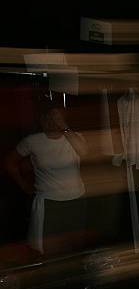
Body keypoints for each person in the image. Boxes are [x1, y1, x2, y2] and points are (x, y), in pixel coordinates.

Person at [6, 106, 88, 256]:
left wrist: (64, 127)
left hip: (77, 200)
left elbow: (84, 152)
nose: (50, 121)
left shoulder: (75, 137)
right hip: (49, 204)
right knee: (50, 251)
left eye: (55, 117)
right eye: (47, 117)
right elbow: (10, 162)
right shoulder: (33, 141)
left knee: (75, 248)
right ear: (41, 120)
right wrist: (23, 184)